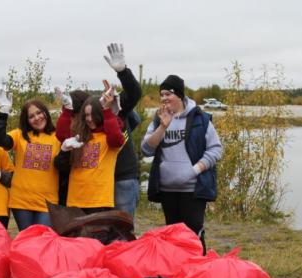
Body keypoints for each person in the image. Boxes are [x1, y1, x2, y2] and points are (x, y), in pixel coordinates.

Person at [141, 74, 223, 251]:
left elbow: (216, 149)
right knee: (172, 237)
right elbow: (146, 149)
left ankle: (199, 273)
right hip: (167, 189)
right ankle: (177, 274)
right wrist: (162, 127)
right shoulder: (158, 119)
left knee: (193, 236)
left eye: (168, 94)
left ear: (179, 95)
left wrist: (194, 170)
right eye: (161, 94)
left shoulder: (200, 119)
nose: (164, 98)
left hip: (192, 189)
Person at [0, 92, 60, 231]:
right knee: (27, 243)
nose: (37, 118)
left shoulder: (58, 137)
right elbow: (0, 140)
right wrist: (3, 113)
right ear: (26, 120)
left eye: (39, 113)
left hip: (47, 203)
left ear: (45, 113)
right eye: (31, 116)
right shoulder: (20, 135)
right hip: (21, 202)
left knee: (41, 242)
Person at [54, 90, 125, 213]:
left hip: (100, 201)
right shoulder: (80, 135)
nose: (89, 119)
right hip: (75, 200)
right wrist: (67, 110)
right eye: (86, 115)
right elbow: (61, 135)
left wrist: (107, 111)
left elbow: (116, 139)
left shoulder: (108, 137)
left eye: (93, 115)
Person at [102, 43, 143, 217]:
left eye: (110, 97)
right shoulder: (94, 115)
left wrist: (123, 71)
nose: (107, 100)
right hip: (100, 181)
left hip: (123, 177)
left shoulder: (119, 109)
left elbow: (134, 93)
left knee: (123, 231)